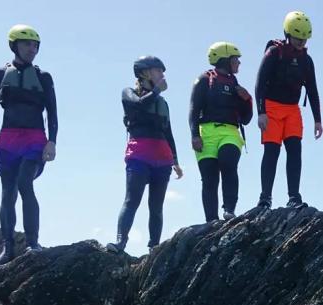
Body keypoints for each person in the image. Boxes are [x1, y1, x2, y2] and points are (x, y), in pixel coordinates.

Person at [0, 25, 58, 267]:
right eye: (27, 44)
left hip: (35, 138)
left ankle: (33, 243)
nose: (32, 49)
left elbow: (53, 113)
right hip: (7, 139)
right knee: (7, 192)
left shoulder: (44, 77)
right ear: (14, 45)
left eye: (35, 45)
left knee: (25, 183)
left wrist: (52, 141)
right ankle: (8, 249)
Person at [107, 56, 183, 253]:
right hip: (139, 153)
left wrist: (175, 160)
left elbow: (169, 132)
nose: (162, 74)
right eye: (158, 70)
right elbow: (140, 104)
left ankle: (154, 247)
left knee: (156, 206)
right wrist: (157, 90)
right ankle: (120, 242)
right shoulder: (128, 93)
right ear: (145, 73)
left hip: (162, 157)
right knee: (132, 199)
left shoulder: (163, 103)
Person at [255, 12, 323, 211]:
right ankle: (265, 197)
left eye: (304, 39)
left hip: (292, 110)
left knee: (294, 151)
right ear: (287, 34)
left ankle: (294, 196)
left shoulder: (306, 61)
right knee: (272, 152)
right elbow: (259, 83)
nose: (301, 42)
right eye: (297, 38)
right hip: (272, 108)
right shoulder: (274, 53)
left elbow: (312, 90)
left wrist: (318, 120)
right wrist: (261, 112)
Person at [190, 41, 253, 222]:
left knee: (228, 164)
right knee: (209, 179)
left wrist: (247, 99)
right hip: (206, 132)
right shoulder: (204, 80)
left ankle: (229, 210)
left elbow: (246, 119)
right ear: (225, 60)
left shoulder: (236, 84)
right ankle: (211, 221)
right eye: (236, 59)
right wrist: (194, 135)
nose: (239, 63)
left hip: (230, 132)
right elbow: (193, 110)